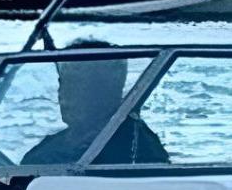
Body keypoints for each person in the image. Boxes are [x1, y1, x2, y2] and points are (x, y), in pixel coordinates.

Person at [22, 51, 169, 166]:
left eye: (77, 86)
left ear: (108, 93)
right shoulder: (52, 146)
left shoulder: (138, 148)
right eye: (64, 84)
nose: (64, 97)